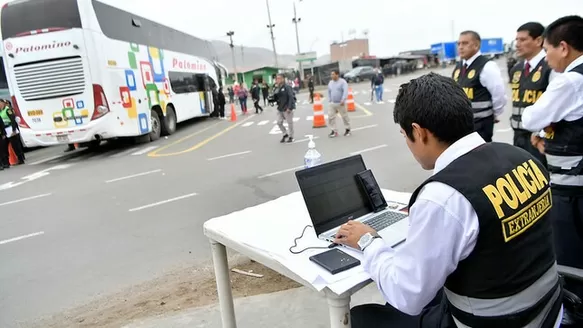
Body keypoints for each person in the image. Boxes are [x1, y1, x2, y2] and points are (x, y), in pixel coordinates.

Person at [335, 73, 562, 327]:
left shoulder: (443, 196)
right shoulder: (521, 157)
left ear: (418, 132)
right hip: (546, 308)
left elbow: (407, 296)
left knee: (363, 316)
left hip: (490, 321)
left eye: (404, 134)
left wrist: (368, 241)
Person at [521, 15, 583, 324]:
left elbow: (531, 117)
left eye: (547, 49)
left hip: (571, 192)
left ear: (563, 47)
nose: (546, 57)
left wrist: (544, 125)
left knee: (571, 260)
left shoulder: (571, 80)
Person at [509, 22, 553, 167]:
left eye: (523, 40)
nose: (517, 44)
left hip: (538, 138)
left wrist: (542, 134)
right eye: (517, 40)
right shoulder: (516, 69)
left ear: (538, 41)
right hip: (518, 136)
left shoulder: (550, 67)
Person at [453, 30, 507, 142]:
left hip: (481, 125)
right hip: (462, 126)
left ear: (476, 45)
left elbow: (499, 94)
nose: (460, 47)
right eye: (459, 44)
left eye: (465, 43)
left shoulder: (487, 66)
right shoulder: (459, 67)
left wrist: (495, 114)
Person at [0, 99, 25, 166]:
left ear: (3, 103)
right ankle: (6, 162)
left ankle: (20, 159)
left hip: (11, 129)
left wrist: (14, 130)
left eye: (0, 103)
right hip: (5, 130)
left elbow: (12, 120)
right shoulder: (0, 111)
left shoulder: (8, 110)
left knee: (15, 146)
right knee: (4, 147)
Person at [327, 70, 351, 138]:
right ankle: (334, 131)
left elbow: (345, 91)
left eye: (333, 74)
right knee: (331, 117)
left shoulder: (342, 82)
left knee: (344, 116)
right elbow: (329, 91)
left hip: (340, 103)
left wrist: (343, 99)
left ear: (337, 75)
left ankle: (347, 129)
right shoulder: (330, 83)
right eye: (331, 74)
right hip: (332, 103)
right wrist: (329, 99)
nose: (332, 76)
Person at [274, 74, 295, 143]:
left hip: (286, 108)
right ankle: (285, 133)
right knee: (279, 122)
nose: (277, 80)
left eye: (279, 78)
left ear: (283, 79)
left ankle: (291, 136)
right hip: (280, 108)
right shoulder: (277, 88)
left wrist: (289, 107)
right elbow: (276, 97)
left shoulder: (287, 87)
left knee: (289, 123)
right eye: (277, 79)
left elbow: (291, 97)